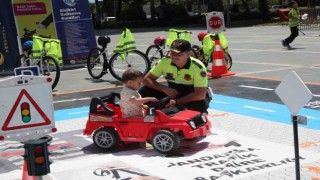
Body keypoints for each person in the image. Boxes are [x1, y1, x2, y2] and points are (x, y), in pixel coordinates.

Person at [139, 39, 210, 114]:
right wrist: (165, 89)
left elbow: (200, 94)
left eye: (179, 54)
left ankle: (176, 109)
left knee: (199, 105)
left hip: (191, 94)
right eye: (172, 53)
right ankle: (148, 113)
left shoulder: (198, 67)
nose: (174, 56)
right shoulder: (164, 62)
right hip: (173, 92)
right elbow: (146, 79)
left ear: (188, 54)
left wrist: (177, 101)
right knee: (144, 91)